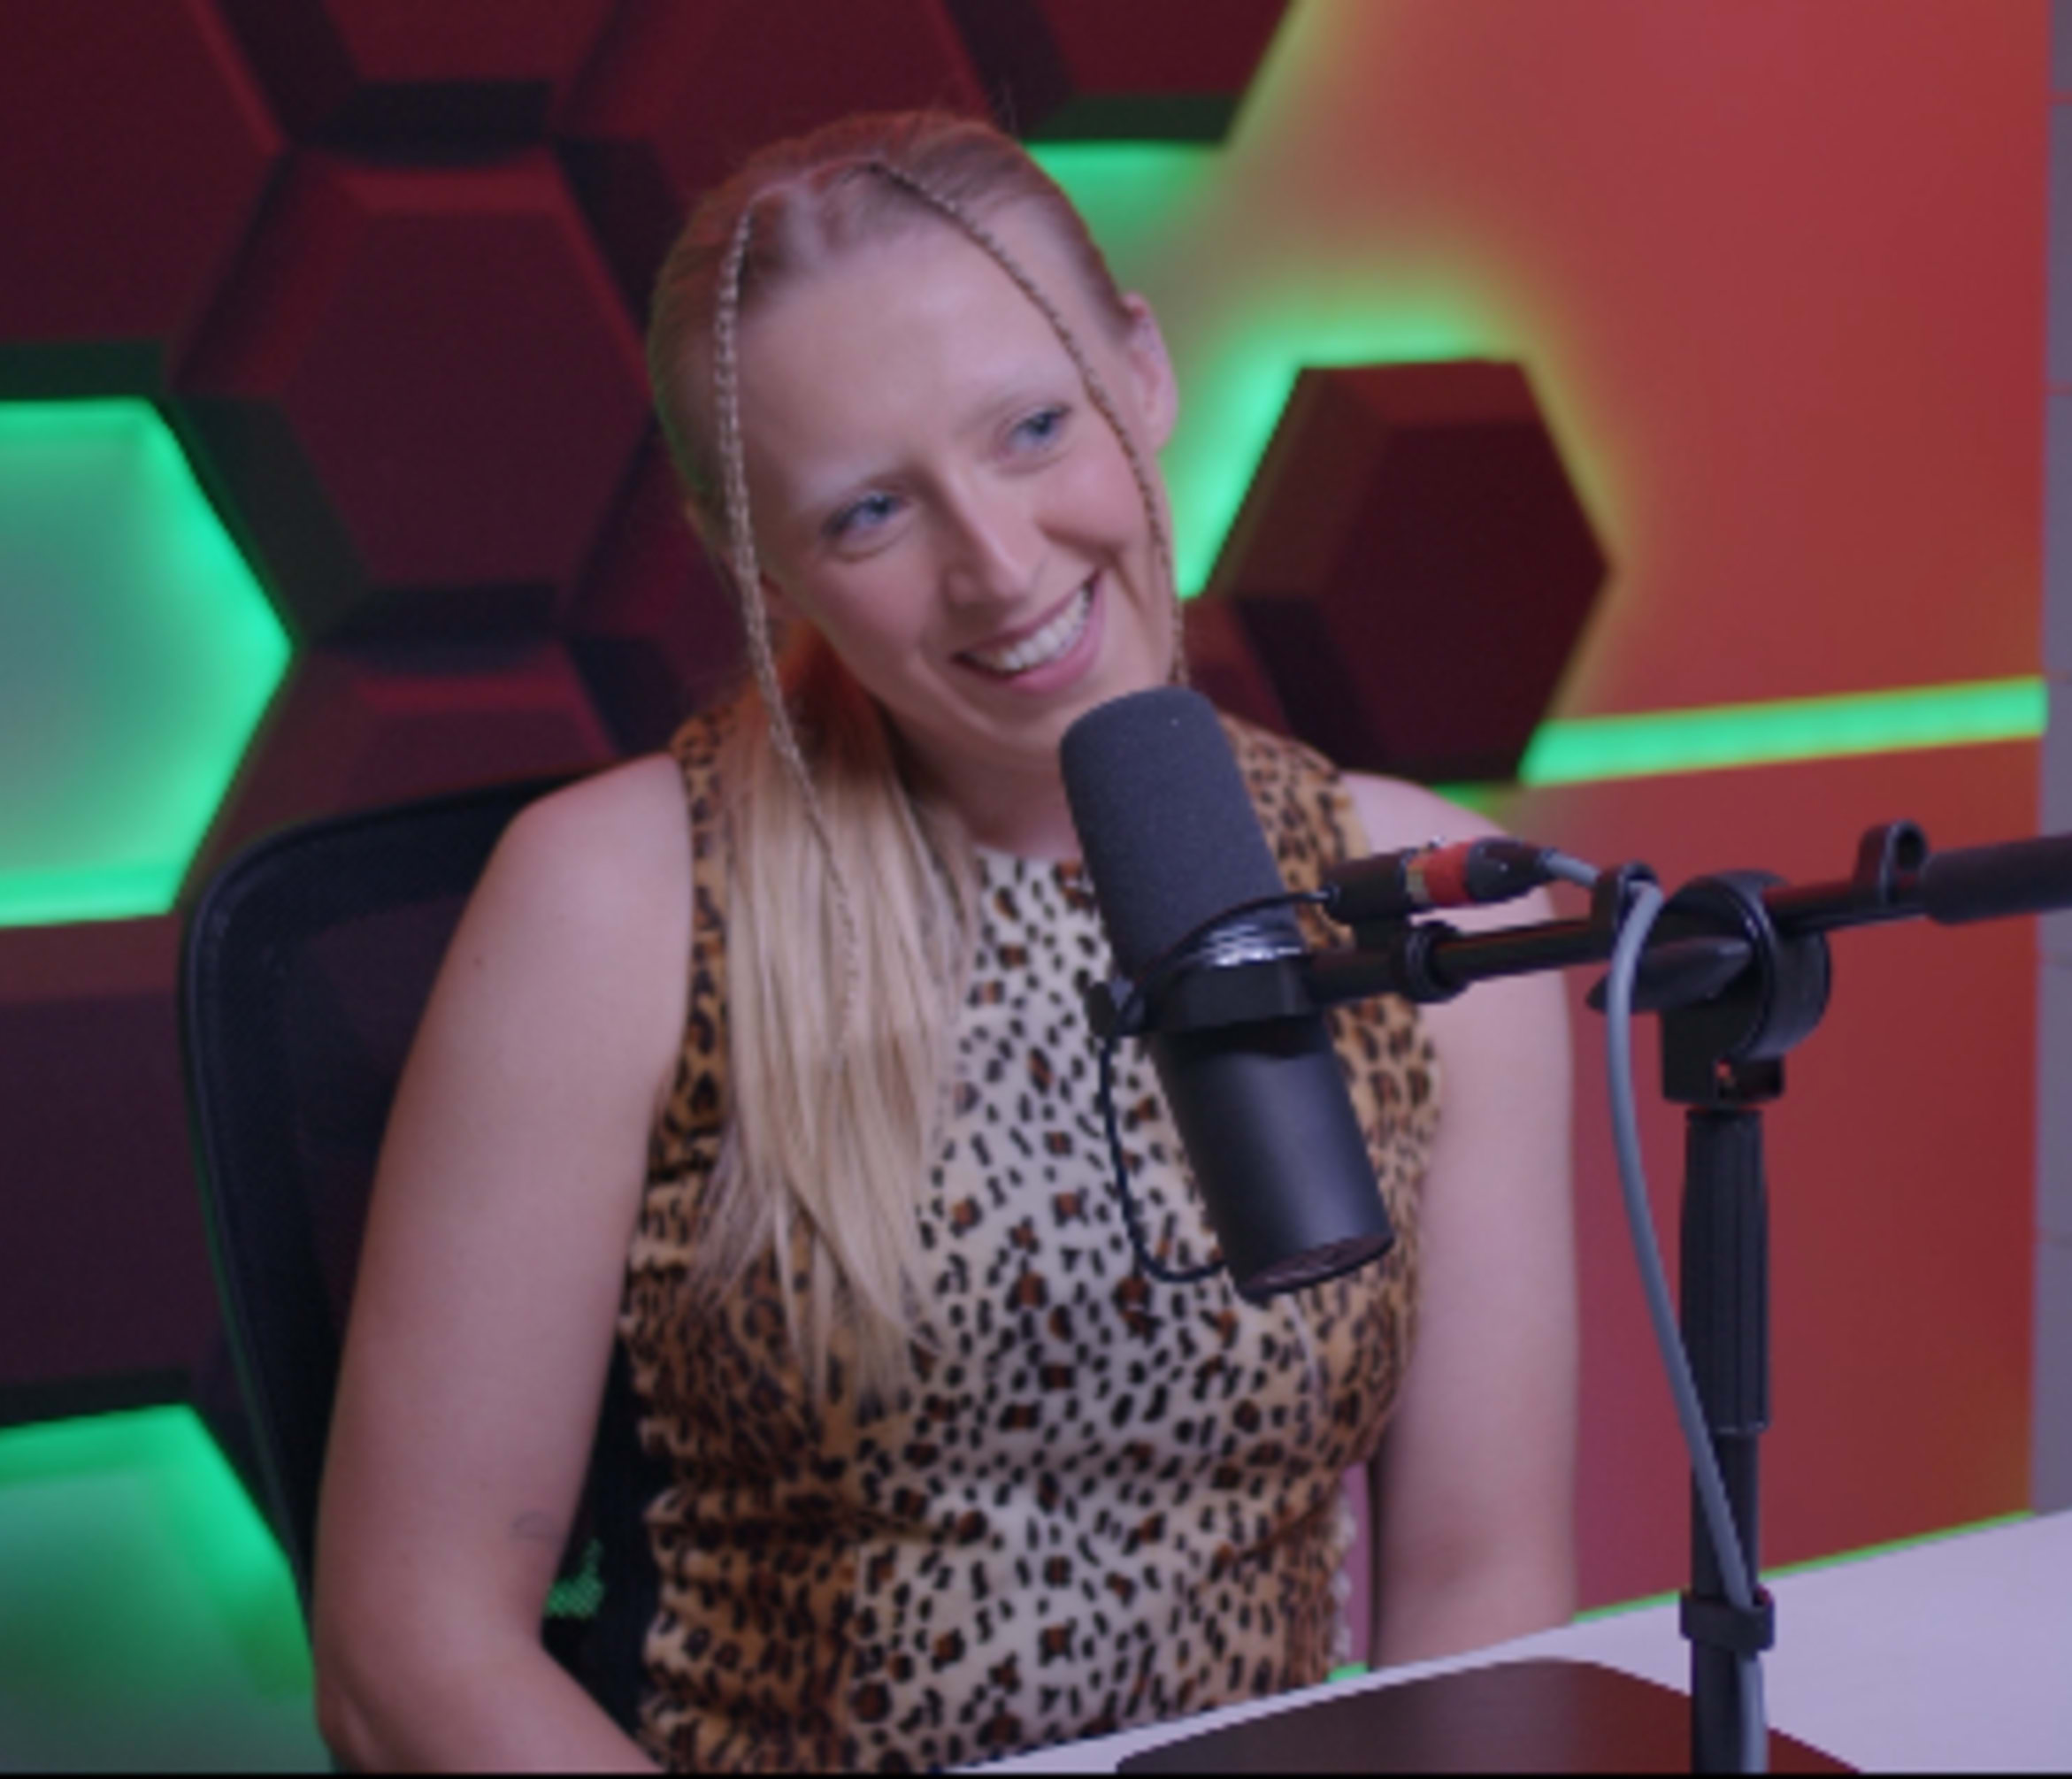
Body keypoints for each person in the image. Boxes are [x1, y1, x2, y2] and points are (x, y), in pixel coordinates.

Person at [304, 111, 1578, 1771]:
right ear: (758, 570)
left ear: (1145, 373)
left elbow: (1482, 1587)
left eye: (1035, 427)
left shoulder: (1408, 896)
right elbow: (407, 1652)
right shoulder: (614, 909)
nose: (996, 566)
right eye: (868, 516)